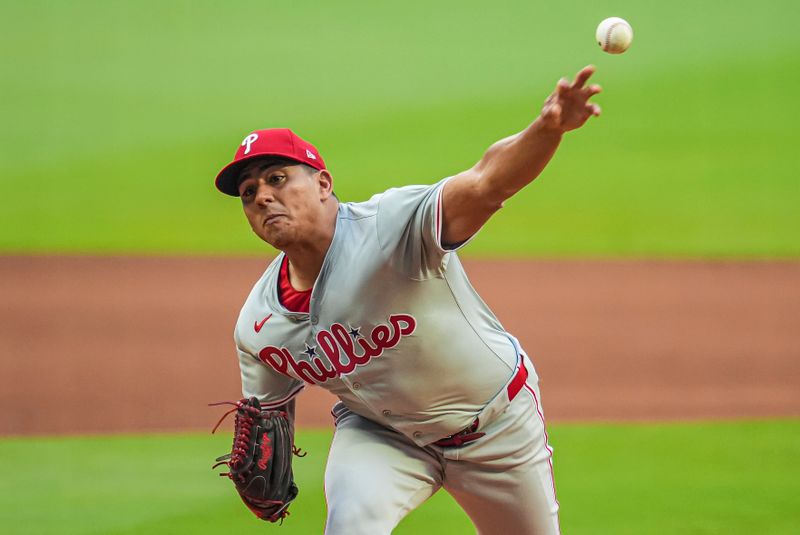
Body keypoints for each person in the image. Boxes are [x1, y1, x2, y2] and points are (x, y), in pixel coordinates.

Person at [214, 65, 602, 535]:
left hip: (497, 427)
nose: (262, 197)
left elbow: (487, 183)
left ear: (322, 184)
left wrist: (547, 129)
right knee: (351, 524)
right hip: (381, 436)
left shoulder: (391, 228)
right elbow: (265, 419)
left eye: (277, 178)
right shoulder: (259, 326)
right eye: (249, 192)